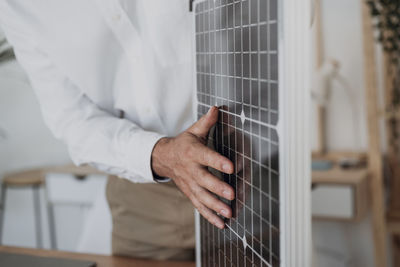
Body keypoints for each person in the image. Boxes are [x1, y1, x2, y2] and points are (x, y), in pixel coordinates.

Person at [0, 0, 235, 261]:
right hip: (143, 202)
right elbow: (72, 119)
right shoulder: (16, 7)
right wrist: (162, 155)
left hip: (246, 173)